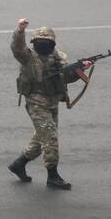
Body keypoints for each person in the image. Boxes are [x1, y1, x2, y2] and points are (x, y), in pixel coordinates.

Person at [8, 19, 90, 190]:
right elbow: (16, 48)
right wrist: (20, 31)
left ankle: (19, 164)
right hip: (36, 103)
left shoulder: (58, 57)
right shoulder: (28, 57)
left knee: (40, 140)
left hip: (52, 102)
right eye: (40, 42)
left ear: (53, 43)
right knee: (51, 139)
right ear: (34, 43)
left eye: (47, 42)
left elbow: (66, 77)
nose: (43, 45)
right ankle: (52, 176)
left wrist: (81, 69)